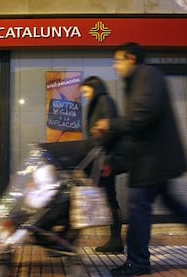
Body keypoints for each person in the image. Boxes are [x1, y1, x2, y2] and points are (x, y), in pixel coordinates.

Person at [91, 42, 187, 276]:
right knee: (175, 206)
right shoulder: (141, 78)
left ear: (131, 58)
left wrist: (111, 124)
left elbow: (142, 114)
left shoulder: (147, 75)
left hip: (151, 159)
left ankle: (138, 262)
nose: (115, 66)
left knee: (138, 209)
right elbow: (138, 118)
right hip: (154, 158)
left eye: (118, 60)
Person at [80, 76, 126, 253]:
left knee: (109, 199)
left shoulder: (104, 101)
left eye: (86, 91)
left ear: (94, 88)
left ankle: (116, 240)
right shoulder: (98, 102)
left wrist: (98, 137)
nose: (84, 95)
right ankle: (115, 240)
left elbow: (110, 129)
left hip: (106, 159)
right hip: (101, 158)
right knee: (107, 198)